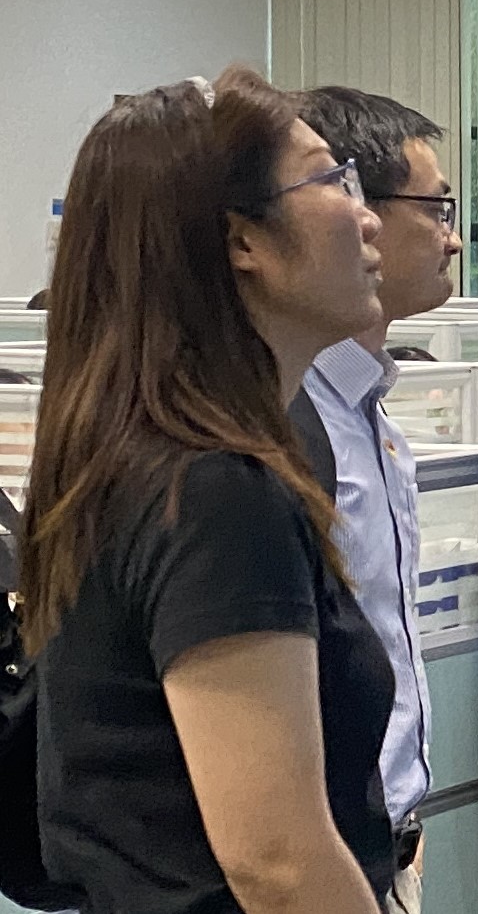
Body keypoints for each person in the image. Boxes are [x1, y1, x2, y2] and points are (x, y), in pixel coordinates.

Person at [28, 67, 397, 913]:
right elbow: (277, 863)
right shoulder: (215, 492)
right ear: (242, 242)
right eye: (331, 179)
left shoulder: (148, 455)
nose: (368, 213)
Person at [294, 87, 463, 913]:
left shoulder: (371, 413)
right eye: (436, 209)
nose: (453, 237)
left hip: (385, 844)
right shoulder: (287, 428)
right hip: (321, 863)